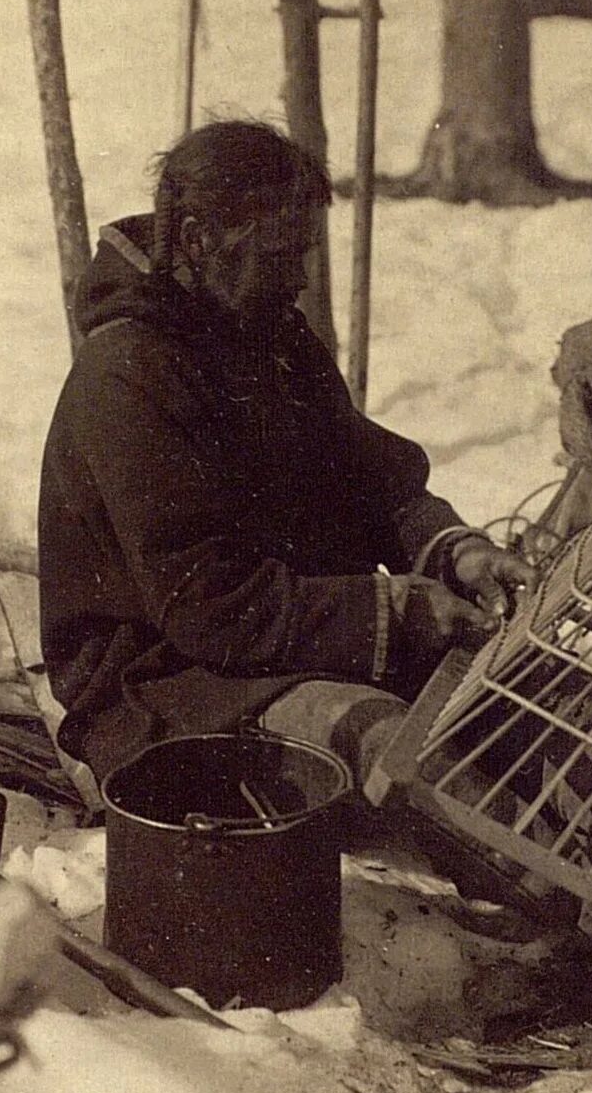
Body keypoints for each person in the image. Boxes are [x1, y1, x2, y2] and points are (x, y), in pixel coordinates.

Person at [37, 120, 537, 811]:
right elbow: (210, 605)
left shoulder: (271, 338)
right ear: (196, 243)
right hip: (170, 685)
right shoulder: (127, 374)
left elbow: (368, 477)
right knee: (397, 745)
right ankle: (588, 909)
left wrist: (455, 553)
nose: (300, 281)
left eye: (303, 254)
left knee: (519, 700)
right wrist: (396, 609)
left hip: (282, 638)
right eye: (279, 257)